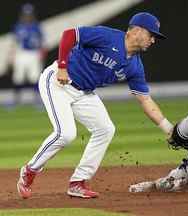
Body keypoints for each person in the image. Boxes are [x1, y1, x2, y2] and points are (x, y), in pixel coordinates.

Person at [16, 12, 178, 199]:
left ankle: (78, 182)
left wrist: (168, 129)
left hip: (84, 93)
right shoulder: (108, 36)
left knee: (105, 129)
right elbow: (70, 34)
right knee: (66, 134)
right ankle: (30, 170)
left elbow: (145, 100)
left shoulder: (135, 66)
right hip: (58, 82)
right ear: (138, 31)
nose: (153, 40)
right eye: (152, 35)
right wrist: (62, 66)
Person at [9, 3, 46, 106]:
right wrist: (12, 56)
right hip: (21, 53)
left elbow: (42, 42)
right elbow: (14, 42)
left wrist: (42, 53)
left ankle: (38, 101)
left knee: (35, 77)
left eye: (29, 14)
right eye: (26, 14)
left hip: (33, 53)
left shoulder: (37, 27)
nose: (27, 16)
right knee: (18, 77)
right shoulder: (18, 27)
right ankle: (16, 101)